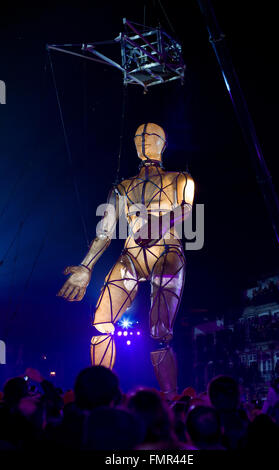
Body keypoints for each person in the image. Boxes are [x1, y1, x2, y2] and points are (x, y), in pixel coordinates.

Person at [58, 123, 195, 399]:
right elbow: (105, 231)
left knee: (159, 328)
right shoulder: (122, 187)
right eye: (139, 138)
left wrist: (159, 224)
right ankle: (98, 396)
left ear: (163, 143)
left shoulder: (180, 179)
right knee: (101, 322)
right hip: (131, 255)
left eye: (151, 137)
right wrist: (86, 266)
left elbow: (185, 208)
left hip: (167, 252)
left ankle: (170, 400)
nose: (144, 142)